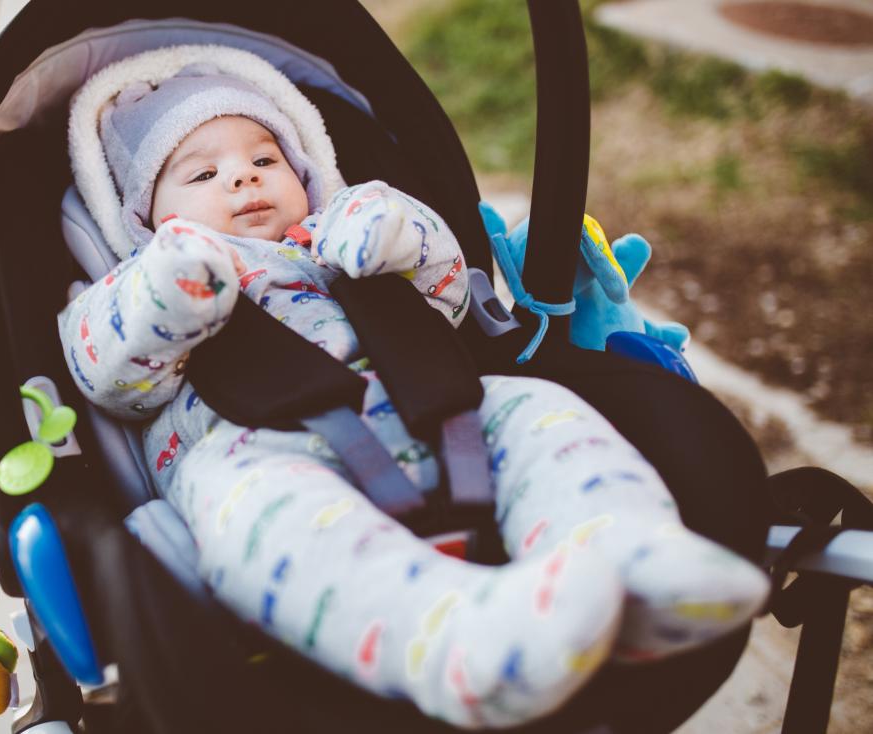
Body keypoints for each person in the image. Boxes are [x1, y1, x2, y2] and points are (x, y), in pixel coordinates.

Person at [60, 51, 769, 729]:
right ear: (144, 218)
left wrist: (394, 232)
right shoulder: (135, 282)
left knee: (541, 412)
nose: (243, 179)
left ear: (307, 171)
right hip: (259, 455)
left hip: (441, 412)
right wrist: (168, 293)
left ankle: (627, 554)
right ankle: (456, 643)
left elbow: (450, 298)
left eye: (265, 160)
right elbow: (111, 378)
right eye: (203, 172)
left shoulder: (335, 240)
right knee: (266, 519)